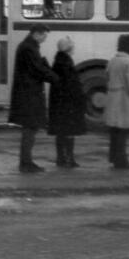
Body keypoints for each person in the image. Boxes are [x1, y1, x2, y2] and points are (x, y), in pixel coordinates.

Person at [7, 24, 57, 172]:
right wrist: (55, 78)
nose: (45, 38)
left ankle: (26, 161)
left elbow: (36, 67)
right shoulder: (29, 48)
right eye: (44, 35)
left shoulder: (28, 46)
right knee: (29, 129)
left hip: (27, 94)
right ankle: (26, 163)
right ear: (36, 34)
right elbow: (37, 70)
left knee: (30, 129)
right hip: (28, 95)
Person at [47, 36, 87, 168]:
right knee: (69, 131)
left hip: (60, 104)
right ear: (69, 48)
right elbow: (71, 85)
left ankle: (61, 158)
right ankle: (69, 159)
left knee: (61, 132)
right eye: (72, 45)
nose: (74, 47)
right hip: (68, 104)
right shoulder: (65, 63)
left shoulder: (58, 61)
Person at [104, 33, 129, 170]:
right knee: (122, 132)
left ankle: (113, 158)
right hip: (124, 100)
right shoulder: (128, 63)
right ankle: (122, 161)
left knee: (115, 131)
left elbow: (106, 77)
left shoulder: (112, 60)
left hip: (113, 97)